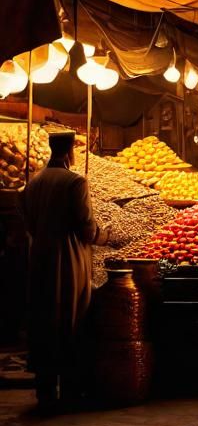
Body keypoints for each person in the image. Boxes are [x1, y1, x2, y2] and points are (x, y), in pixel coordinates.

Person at [20, 131, 113, 410]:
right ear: (71, 152)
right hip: (69, 260)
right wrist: (105, 236)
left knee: (43, 320)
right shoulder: (76, 182)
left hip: (39, 260)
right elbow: (86, 228)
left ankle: (45, 389)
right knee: (71, 317)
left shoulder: (32, 184)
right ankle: (71, 388)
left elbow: (27, 222)